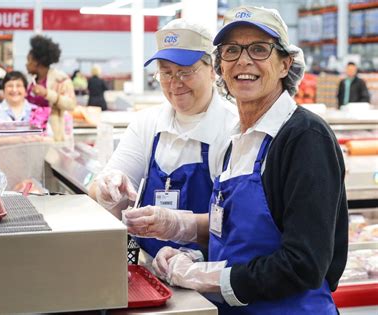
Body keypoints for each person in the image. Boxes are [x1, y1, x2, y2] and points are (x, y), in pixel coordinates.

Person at [124, 6, 348, 314]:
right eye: (231, 51)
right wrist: (188, 243)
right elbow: (237, 235)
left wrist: (206, 277)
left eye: (258, 49)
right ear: (221, 68)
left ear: (285, 64)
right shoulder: (236, 139)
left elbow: (303, 264)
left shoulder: (304, 138)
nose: (243, 60)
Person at [88, 19, 238, 258]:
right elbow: (98, 190)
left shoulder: (234, 130)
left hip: (208, 277)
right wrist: (107, 191)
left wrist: (193, 248)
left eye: (185, 71)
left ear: (213, 70)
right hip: (148, 269)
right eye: (166, 73)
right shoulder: (147, 123)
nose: (175, 83)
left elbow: (238, 222)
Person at [25, 35, 76, 140]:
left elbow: (71, 104)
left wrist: (47, 94)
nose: (26, 64)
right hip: (31, 134)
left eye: (28, 60)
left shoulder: (60, 79)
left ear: (36, 62)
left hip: (52, 135)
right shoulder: (31, 81)